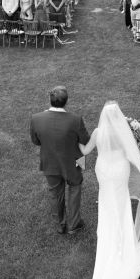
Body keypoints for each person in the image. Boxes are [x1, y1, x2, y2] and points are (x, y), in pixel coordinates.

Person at [79, 102, 140, 279]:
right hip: (119, 171)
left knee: (106, 200)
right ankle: (122, 235)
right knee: (121, 202)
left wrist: (75, 140)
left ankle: (109, 230)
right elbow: (134, 156)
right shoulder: (123, 132)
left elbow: (85, 151)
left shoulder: (97, 133)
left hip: (103, 171)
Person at [30, 86, 90, 236]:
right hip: (75, 161)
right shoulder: (76, 120)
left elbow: (36, 141)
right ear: (66, 102)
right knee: (75, 189)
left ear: (50, 100)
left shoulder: (36, 118)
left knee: (55, 194)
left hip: (50, 162)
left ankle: (60, 225)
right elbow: (86, 140)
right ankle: (74, 224)